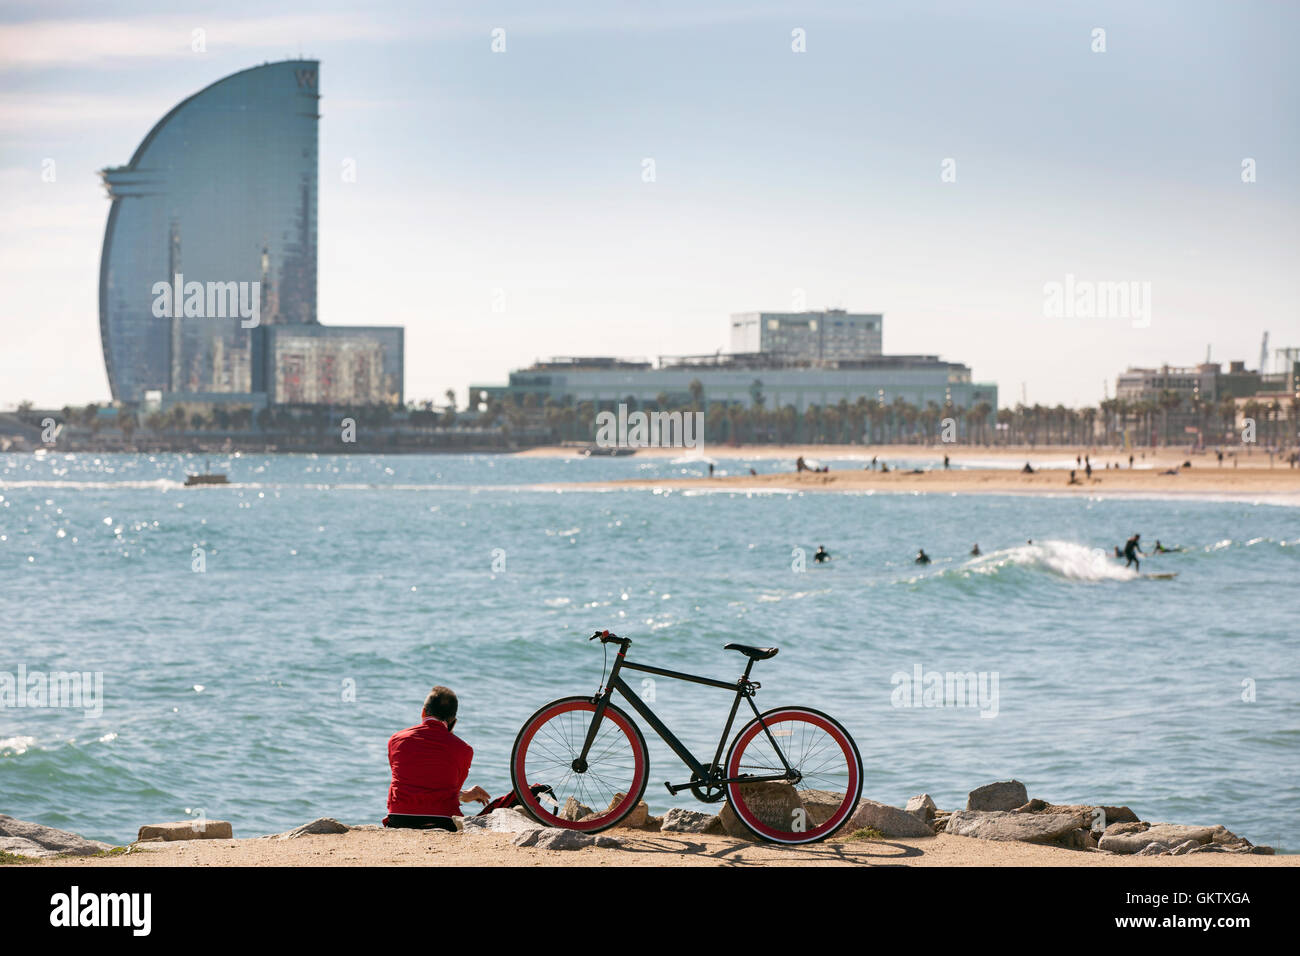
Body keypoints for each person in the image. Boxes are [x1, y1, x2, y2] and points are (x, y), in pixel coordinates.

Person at [385, 685, 491, 831]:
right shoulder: (464, 749)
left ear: (423, 712)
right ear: (454, 721)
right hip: (442, 820)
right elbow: (450, 791)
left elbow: (409, 781)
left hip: (399, 818)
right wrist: (467, 795)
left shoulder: (396, 740)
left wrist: (466, 795)